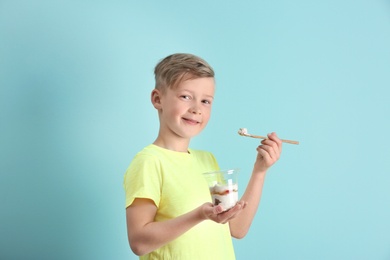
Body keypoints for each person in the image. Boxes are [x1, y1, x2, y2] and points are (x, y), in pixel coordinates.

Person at [123, 53, 282, 259]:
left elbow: (237, 228)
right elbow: (139, 242)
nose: (197, 109)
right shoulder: (149, 162)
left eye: (206, 101)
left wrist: (260, 171)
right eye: (185, 97)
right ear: (157, 99)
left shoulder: (208, 160)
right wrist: (199, 215)